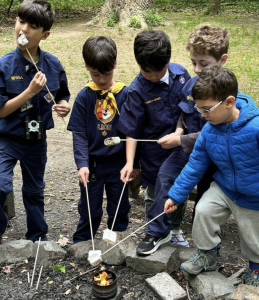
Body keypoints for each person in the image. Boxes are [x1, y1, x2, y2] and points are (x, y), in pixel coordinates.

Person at [165, 65, 259, 286]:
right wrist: (176, 195)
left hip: (255, 195)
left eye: (206, 109)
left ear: (229, 102)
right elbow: (195, 165)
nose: (202, 115)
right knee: (203, 212)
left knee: (254, 238)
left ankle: (255, 271)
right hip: (224, 189)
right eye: (199, 109)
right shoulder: (209, 130)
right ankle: (208, 255)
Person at [136, 24, 228, 255]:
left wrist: (180, 140)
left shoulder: (228, 91)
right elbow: (184, 113)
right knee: (165, 177)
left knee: (206, 200)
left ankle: (205, 247)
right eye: (193, 62)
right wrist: (178, 131)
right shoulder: (191, 84)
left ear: (222, 60)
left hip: (215, 157)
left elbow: (215, 134)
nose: (196, 69)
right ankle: (158, 231)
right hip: (186, 150)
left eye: (203, 63)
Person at [0, 0, 70, 243]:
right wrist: (28, 92)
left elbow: (62, 92)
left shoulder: (52, 64)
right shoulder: (4, 65)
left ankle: (37, 236)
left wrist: (64, 105)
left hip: (36, 138)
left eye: (32, 25)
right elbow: (1, 111)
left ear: (45, 34)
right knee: (0, 184)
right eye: (20, 21)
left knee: (34, 190)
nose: (23, 29)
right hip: (7, 137)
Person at [118, 30, 190, 220]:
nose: (153, 76)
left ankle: (174, 228)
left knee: (179, 190)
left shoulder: (181, 75)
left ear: (168, 61)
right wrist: (130, 162)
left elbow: (189, 109)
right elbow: (131, 129)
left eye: (158, 70)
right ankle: (154, 228)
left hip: (181, 148)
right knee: (153, 192)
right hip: (154, 154)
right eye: (147, 71)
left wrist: (179, 135)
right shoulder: (136, 90)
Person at [67, 36, 132, 243]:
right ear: (87, 67)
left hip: (118, 164)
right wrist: (82, 164)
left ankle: (114, 243)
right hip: (92, 166)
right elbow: (79, 134)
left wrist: (134, 163)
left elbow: (132, 133)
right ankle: (83, 243)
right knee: (89, 208)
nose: (102, 80)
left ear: (115, 64)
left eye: (106, 74)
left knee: (119, 207)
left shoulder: (125, 95)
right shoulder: (85, 97)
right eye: (96, 74)